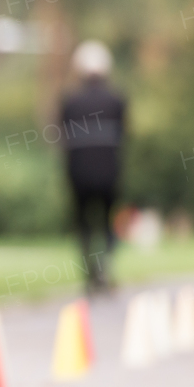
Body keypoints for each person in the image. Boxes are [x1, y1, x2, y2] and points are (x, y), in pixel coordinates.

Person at [59, 40, 127, 293]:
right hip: (109, 172)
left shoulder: (70, 101)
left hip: (78, 174)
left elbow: (62, 137)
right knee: (109, 223)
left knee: (83, 224)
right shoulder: (117, 100)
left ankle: (90, 273)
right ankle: (105, 266)